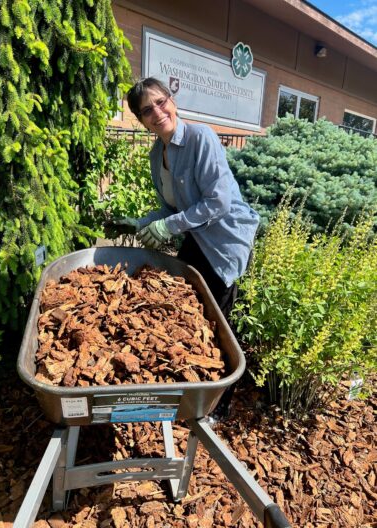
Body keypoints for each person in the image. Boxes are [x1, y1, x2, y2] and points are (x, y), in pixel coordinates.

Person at [109, 77, 259, 418]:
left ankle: (221, 401)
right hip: (197, 238)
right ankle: (190, 387)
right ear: (141, 120)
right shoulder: (155, 155)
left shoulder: (200, 138)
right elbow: (172, 208)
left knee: (218, 321)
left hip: (224, 242)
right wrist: (145, 222)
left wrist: (168, 227)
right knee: (187, 307)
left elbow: (217, 202)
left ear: (172, 100)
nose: (158, 112)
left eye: (161, 102)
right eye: (147, 110)